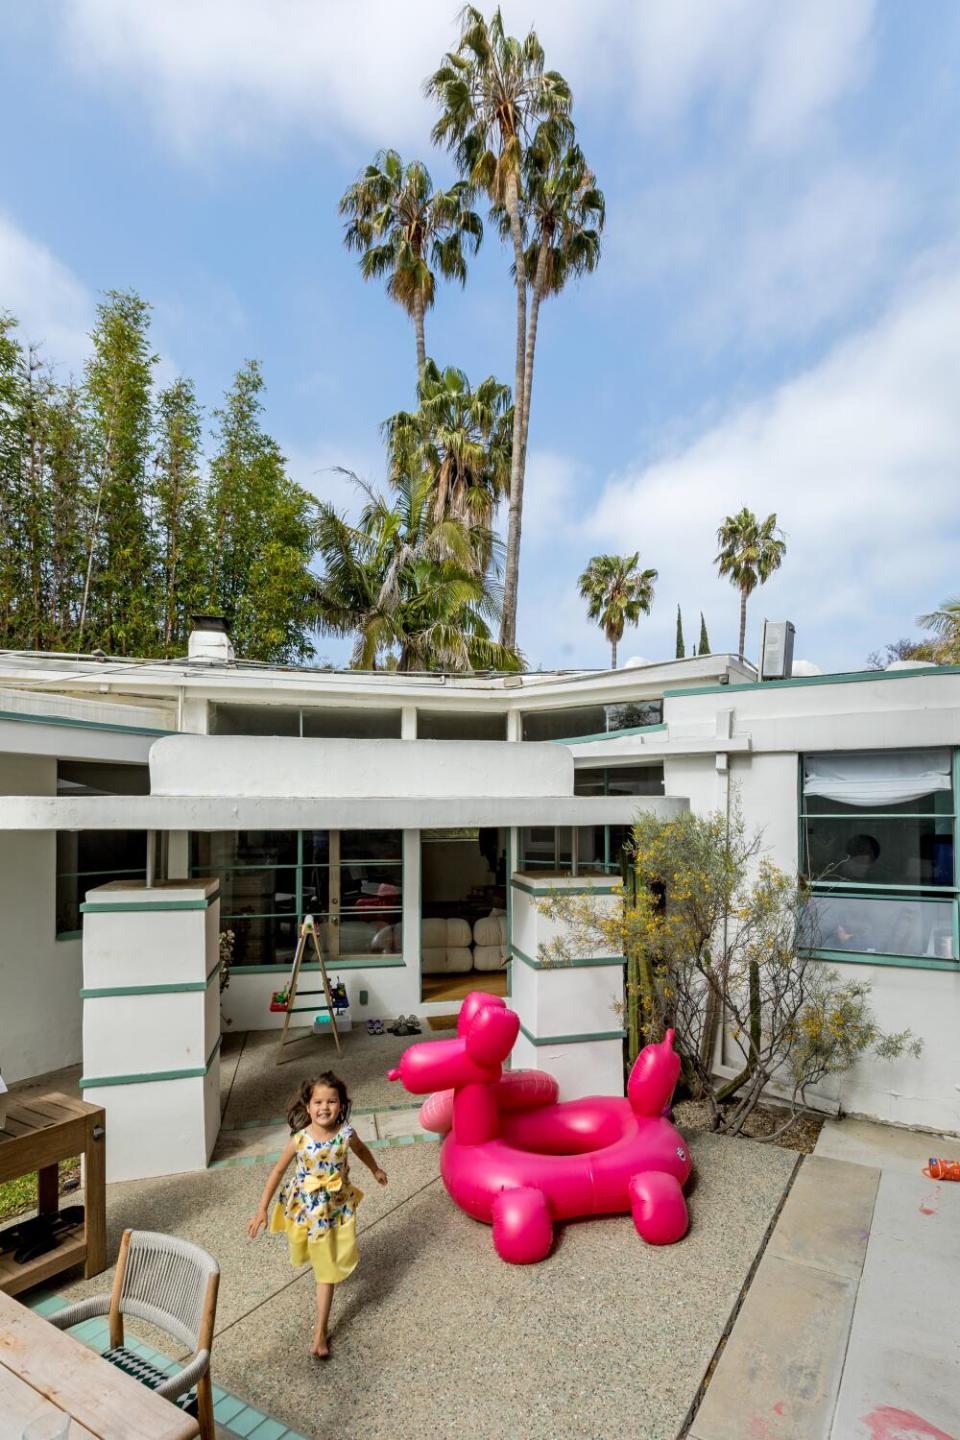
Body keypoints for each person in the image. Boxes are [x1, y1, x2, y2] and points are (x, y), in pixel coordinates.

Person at [247, 1071, 387, 1358]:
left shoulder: (346, 1135)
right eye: (318, 1102)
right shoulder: (299, 1139)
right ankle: (323, 1272)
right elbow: (277, 1171)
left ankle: (320, 1332)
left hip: (333, 1211)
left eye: (332, 1101)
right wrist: (262, 1207)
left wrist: (375, 1169)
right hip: (306, 1208)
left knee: (326, 1269)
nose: (325, 1107)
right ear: (307, 1106)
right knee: (312, 1255)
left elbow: (362, 1151)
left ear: (341, 1105)